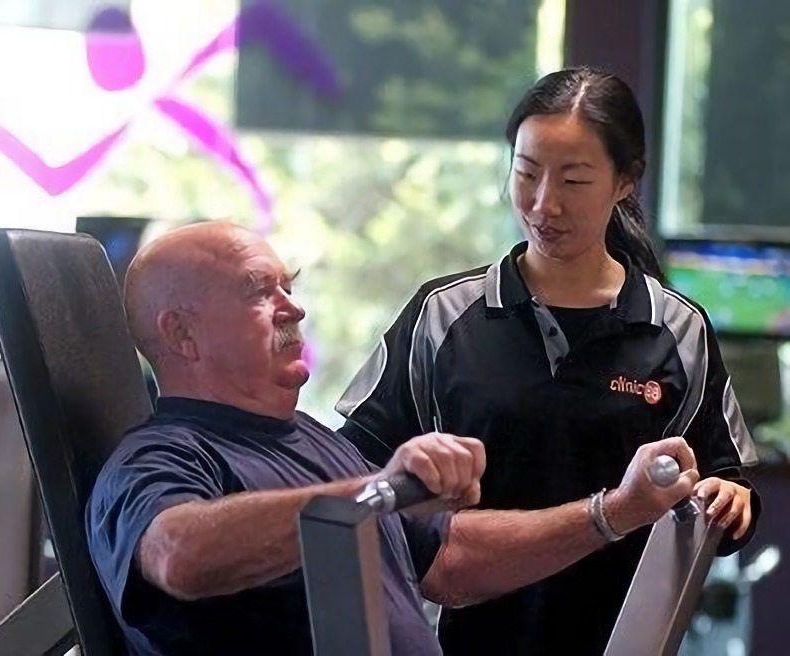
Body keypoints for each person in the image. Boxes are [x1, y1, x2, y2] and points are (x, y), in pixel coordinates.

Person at [85, 220, 703, 655]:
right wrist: (379, 489)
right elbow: (177, 556)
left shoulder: (314, 443)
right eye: (257, 291)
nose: (291, 309)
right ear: (182, 334)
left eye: (288, 287)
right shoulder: (158, 457)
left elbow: (451, 561)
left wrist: (615, 511)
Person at [336, 66, 762, 656]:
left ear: (624, 182)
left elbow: (724, 478)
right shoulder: (443, 314)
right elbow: (351, 469)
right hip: (453, 639)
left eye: (574, 180)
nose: (544, 204)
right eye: (527, 173)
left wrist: (729, 502)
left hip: (621, 639)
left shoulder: (677, 328)